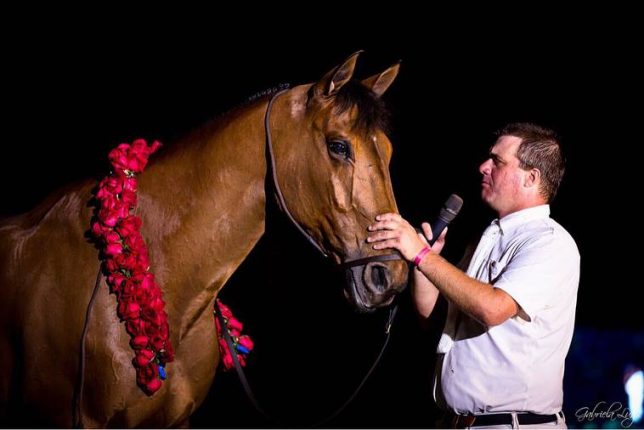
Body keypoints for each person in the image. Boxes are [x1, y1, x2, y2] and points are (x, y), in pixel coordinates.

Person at [367, 122, 579, 429]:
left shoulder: (548, 242)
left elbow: (492, 309)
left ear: (531, 177)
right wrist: (427, 264)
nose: (483, 167)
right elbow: (434, 318)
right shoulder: (487, 238)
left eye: (498, 161)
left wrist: (421, 255)